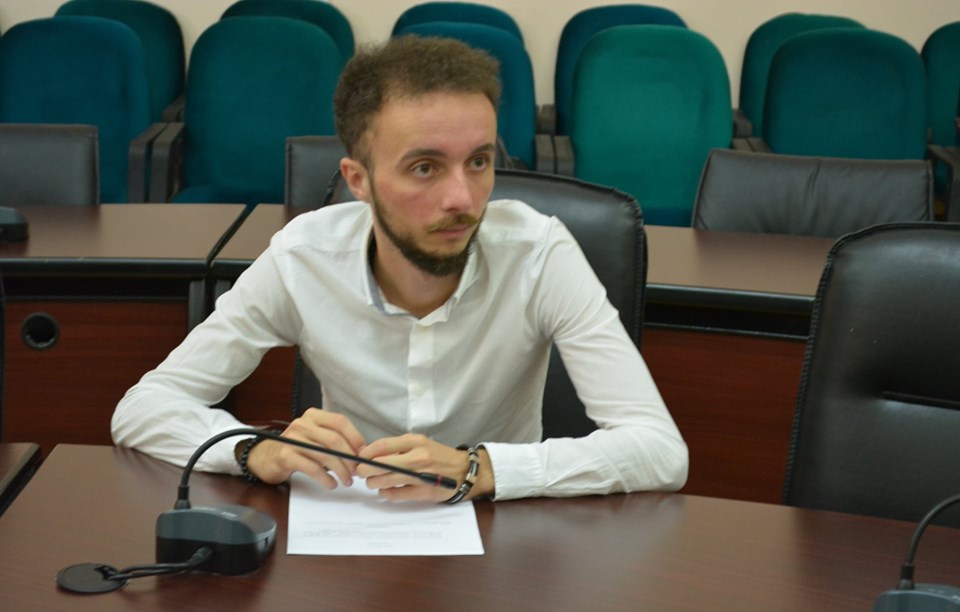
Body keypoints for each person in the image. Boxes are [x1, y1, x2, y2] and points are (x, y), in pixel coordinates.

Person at [111, 35, 688, 503]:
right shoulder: (303, 258)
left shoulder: (539, 253)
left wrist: (478, 469)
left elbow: (660, 451)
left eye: (479, 161)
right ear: (358, 180)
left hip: (500, 529)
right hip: (345, 523)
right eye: (424, 168)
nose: (462, 198)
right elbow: (143, 409)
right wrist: (252, 450)